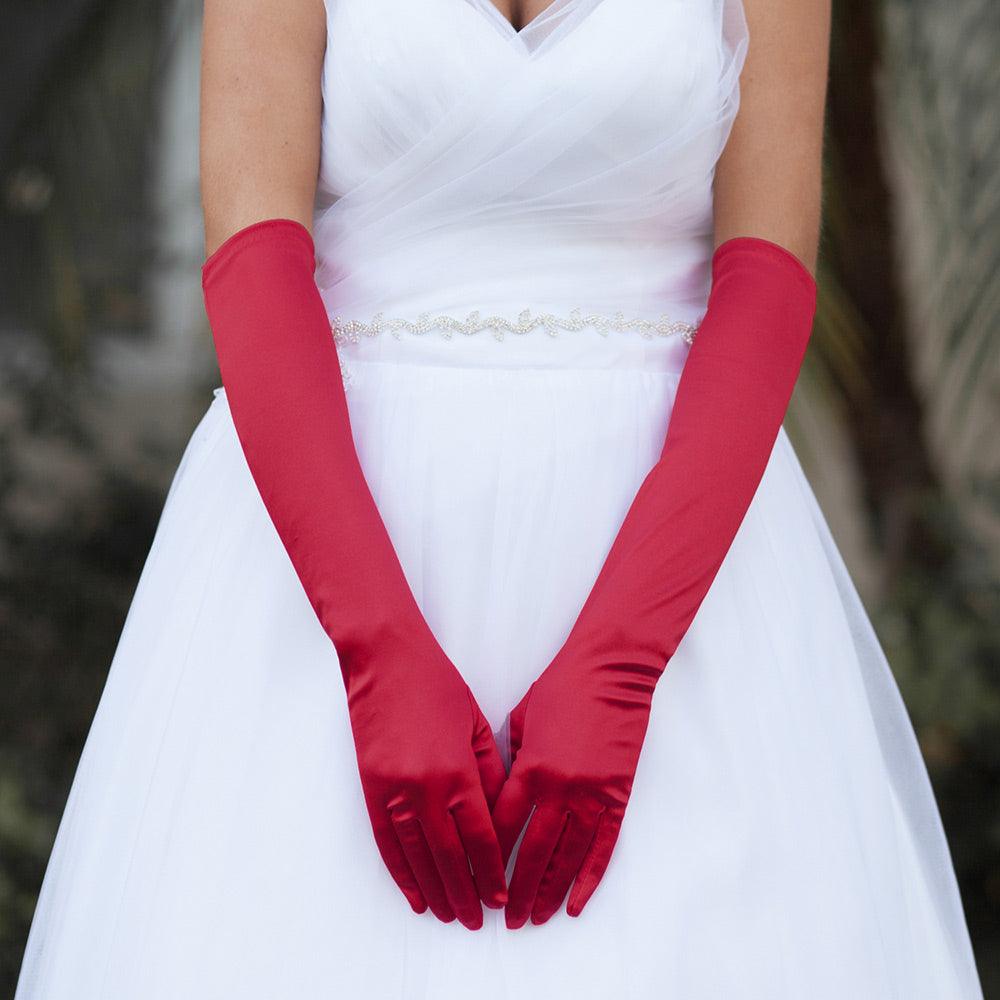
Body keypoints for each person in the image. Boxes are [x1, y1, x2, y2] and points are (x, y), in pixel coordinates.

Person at [15, 0, 986, 997]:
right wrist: (374, 649)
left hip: (672, 560)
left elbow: (766, 278)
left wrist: (624, 657)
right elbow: (257, 260)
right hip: (334, 543)